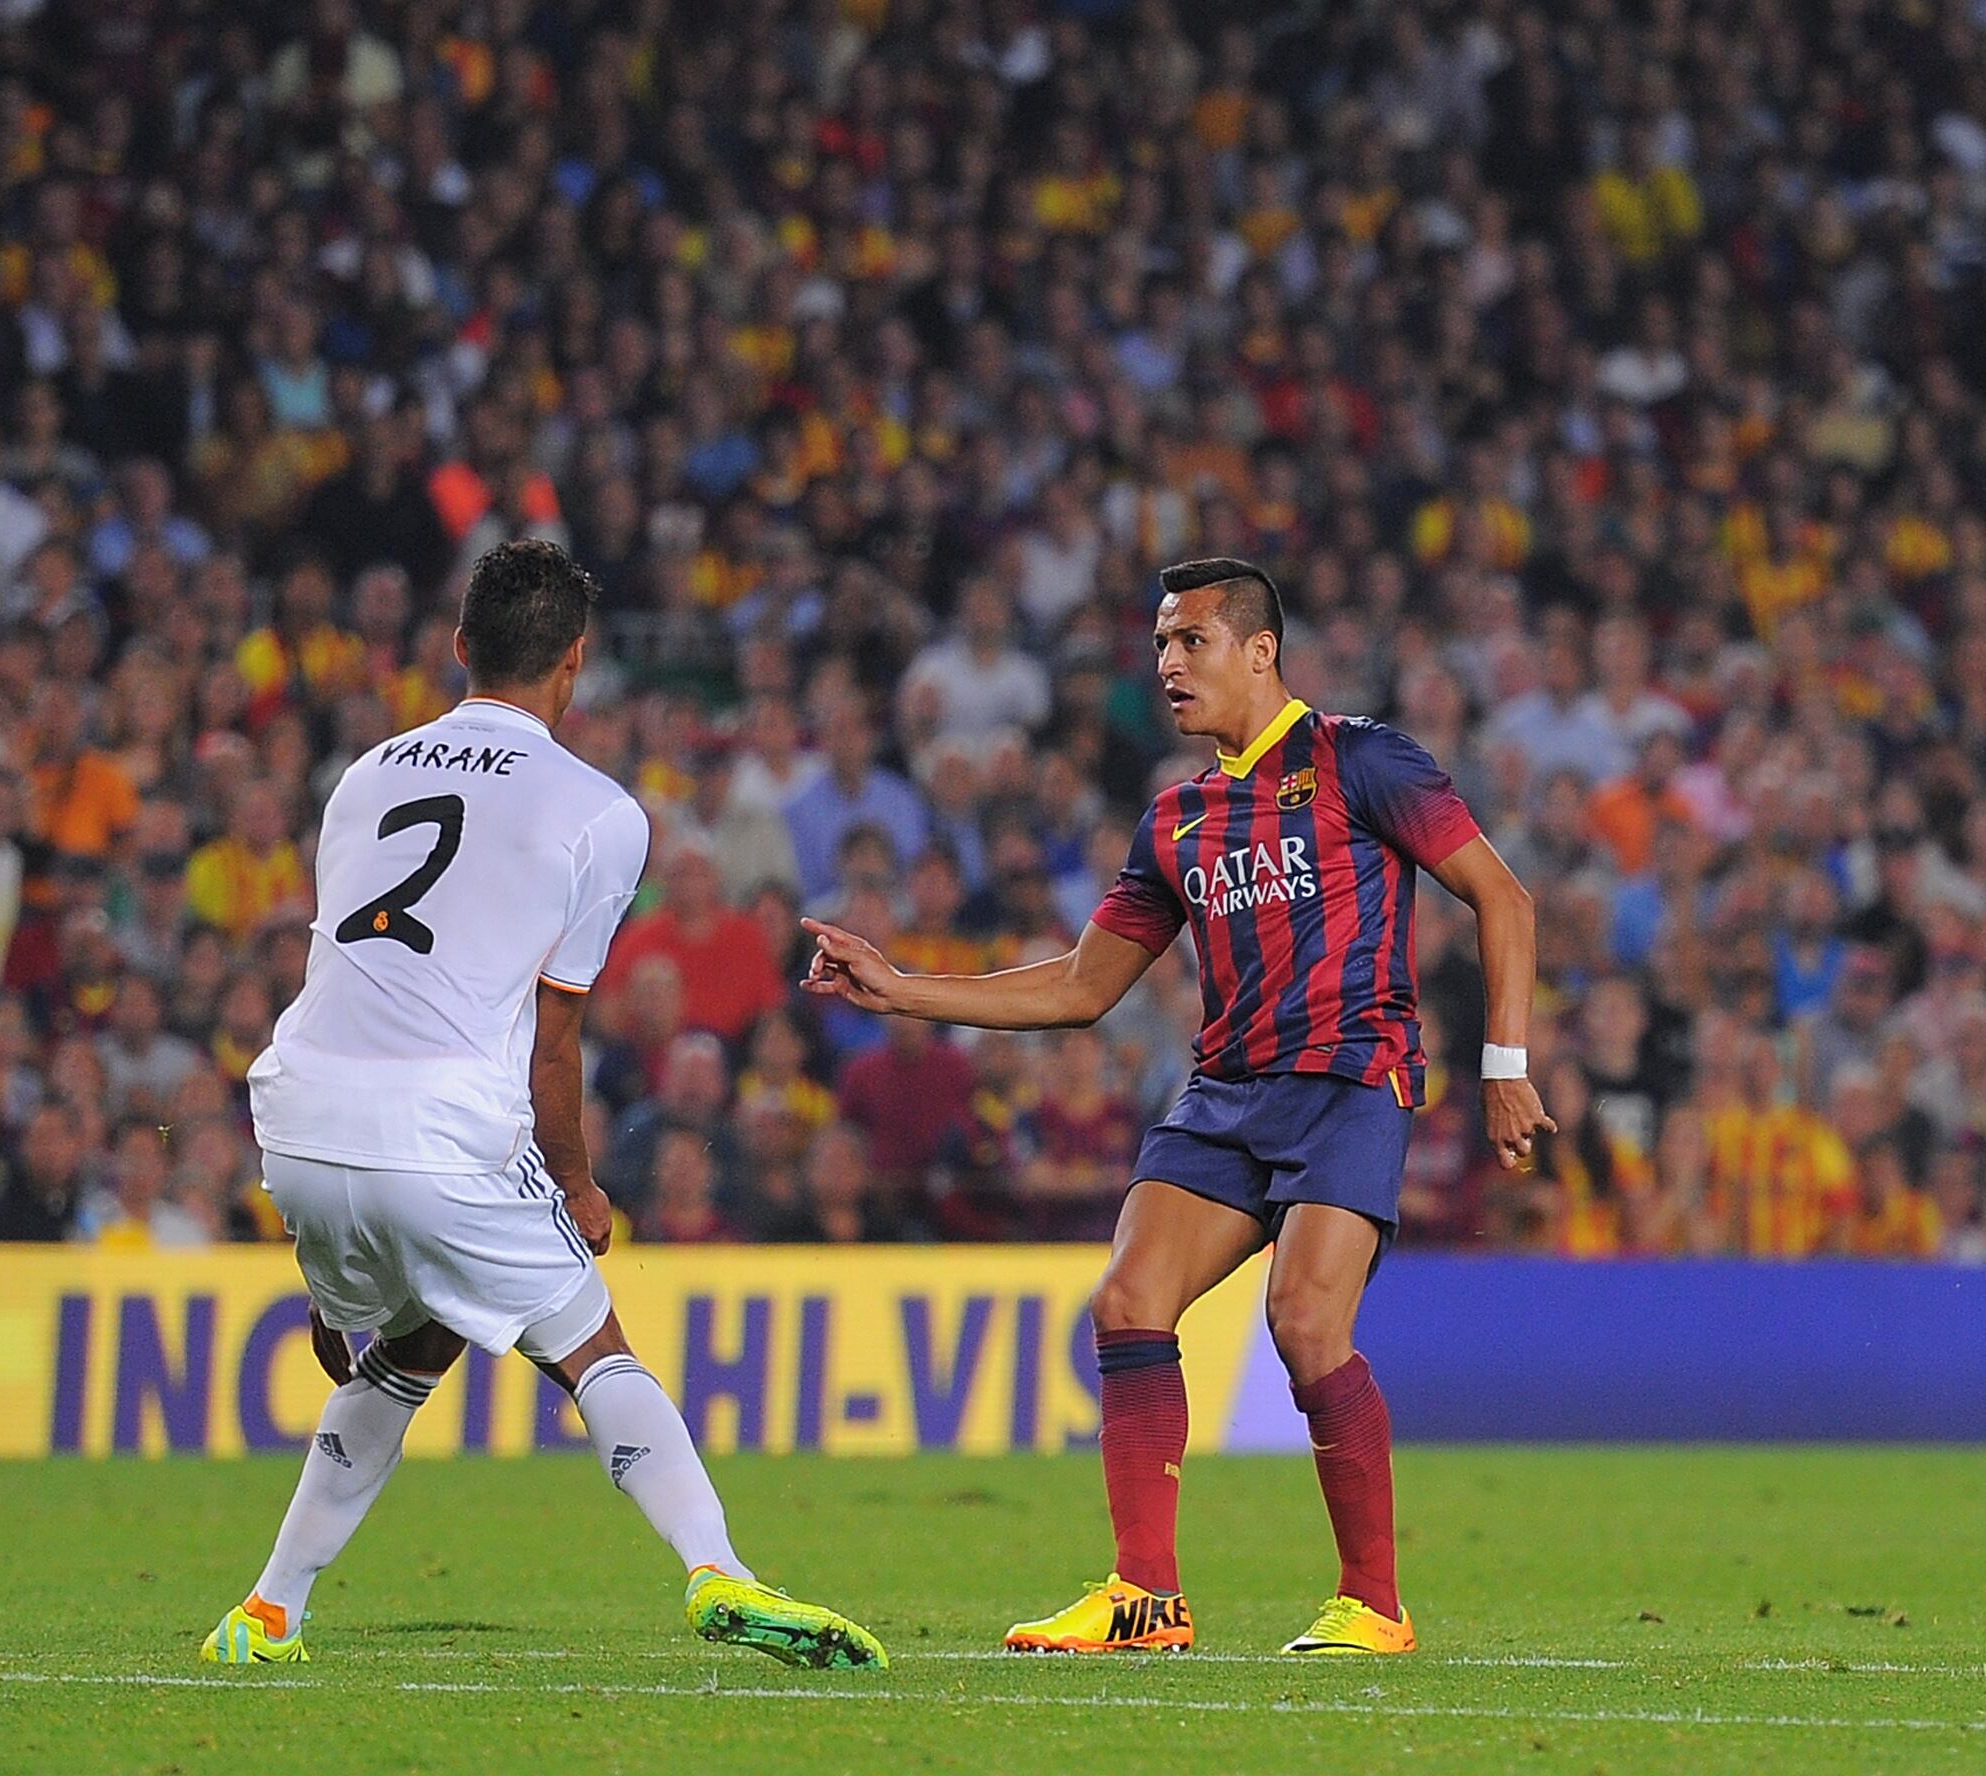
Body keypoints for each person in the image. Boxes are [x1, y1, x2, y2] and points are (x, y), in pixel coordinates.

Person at [804, 559, 1550, 1657]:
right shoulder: (1177, 816)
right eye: (1159, 643)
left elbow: (1504, 894)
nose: (1166, 663)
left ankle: (1374, 1602)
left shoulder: (1361, 757)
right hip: (1224, 1092)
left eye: (1191, 640)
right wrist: (903, 985)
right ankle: (1144, 1595)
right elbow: (1079, 985)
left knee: (1303, 1322)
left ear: (1260, 650)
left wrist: (1505, 1062)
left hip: (1349, 1079)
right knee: (1127, 1299)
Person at [209, 539, 882, 1671]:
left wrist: (335, 1263)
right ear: (575, 663)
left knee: (411, 1342)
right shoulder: (601, 812)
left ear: (460, 646)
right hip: (441, 1122)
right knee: (590, 1342)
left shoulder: (363, 774)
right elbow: (553, 1038)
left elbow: (355, 967)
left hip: (298, 1112)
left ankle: (268, 1612)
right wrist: (575, 1181)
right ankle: (719, 1570)